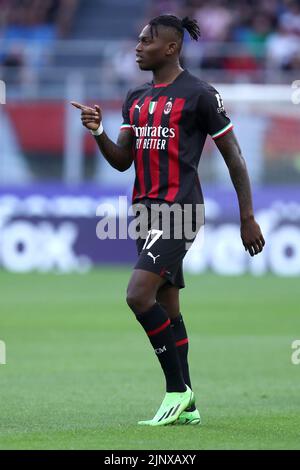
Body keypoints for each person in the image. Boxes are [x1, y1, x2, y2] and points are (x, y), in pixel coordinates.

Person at [71, 14, 265, 427]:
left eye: (146, 41)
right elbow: (123, 161)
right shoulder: (136, 97)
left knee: (138, 295)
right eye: (139, 40)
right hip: (144, 212)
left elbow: (234, 157)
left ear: (171, 48)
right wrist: (98, 132)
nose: (138, 47)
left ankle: (177, 390)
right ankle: (189, 407)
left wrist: (247, 216)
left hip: (180, 212)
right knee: (167, 307)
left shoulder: (200, 95)